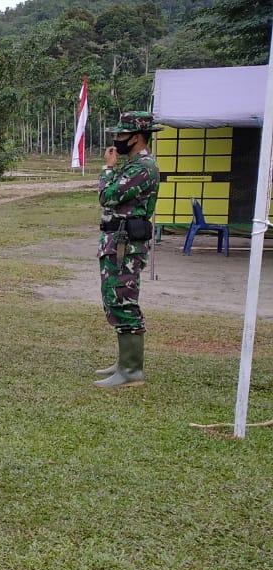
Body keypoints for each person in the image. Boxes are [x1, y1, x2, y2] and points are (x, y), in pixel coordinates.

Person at [94, 111, 161, 389]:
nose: (117, 140)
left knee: (124, 299)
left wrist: (108, 168)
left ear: (136, 137)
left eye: (122, 135)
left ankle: (132, 370)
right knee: (114, 297)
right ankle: (124, 363)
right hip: (117, 241)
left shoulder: (143, 168)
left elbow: (107, 196)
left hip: (126, 246)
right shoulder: (133, 164)